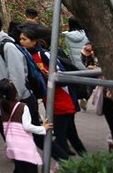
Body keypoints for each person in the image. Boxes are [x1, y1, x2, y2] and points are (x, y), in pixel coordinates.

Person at [20, 24, 85, 161]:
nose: (21, 42)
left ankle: (64, 164)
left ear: (34, 41)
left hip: (62, 100)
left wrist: (48, 75)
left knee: (60, 135)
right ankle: (87, 162)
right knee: (71, 135)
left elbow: (61, 76)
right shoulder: (28, 56)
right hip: (50, 101)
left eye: (24, 39)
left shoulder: (44, 55)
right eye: (20, 39)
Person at [0, 11, 43, 146]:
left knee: (38, 138)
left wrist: (14, 101)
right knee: (18, 138)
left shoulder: (7, 46)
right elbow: (4, 72)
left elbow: (18, 76)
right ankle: (23, 166)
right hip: (9, 98)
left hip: (20, 99)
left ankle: (61, 160)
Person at [0, 80, 51, 173]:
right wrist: (43, 128)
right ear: (15, 92)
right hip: (25, 146)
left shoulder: (0, 104)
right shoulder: (23, 107)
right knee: (29, 169)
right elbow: (27, 127)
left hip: (12, 144)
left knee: (19, 167)